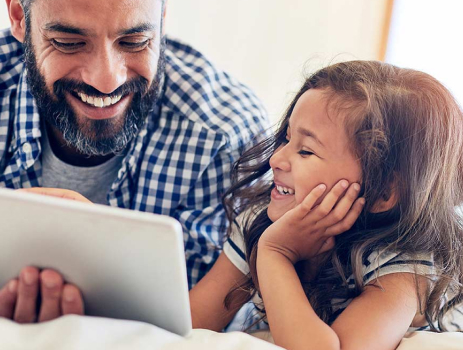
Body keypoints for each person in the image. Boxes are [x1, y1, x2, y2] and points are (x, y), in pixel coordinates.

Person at [189, 61, 463, 350]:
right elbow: (193, 319)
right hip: (435, 271)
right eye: (286, 139)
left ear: (382, 192)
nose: (277, 160)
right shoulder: (261, 220)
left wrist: (275, 255)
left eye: (305, 150)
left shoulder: (405, 270)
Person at [0, 0, 268, 323]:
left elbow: (195, 328)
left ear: (163, 18)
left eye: (135, 42)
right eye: (69, 43)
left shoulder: (223, 138)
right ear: (18, 16)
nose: (106, 80)